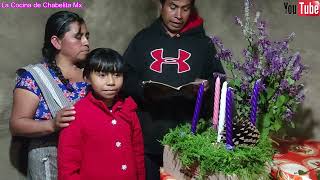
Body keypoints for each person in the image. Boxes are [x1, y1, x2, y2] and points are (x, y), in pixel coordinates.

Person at [123, 0, 225, 179]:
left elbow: (219, 79)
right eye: (173, 7)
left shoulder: (203, 44)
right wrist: (143, 90)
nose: (179, 15)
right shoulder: (143, 39)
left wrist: (207, 85)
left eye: (185, 9)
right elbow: (125, 77)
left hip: (188, 140)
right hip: (149, 137)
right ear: (161, 5)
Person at [10, 11, 90, 179]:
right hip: (49, 163)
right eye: (78, 36)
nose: (86, 42)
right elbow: (17, 125)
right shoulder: (35, 77)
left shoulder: (93, 76)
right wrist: (52, 125)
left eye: (87, 36)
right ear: (56, 42)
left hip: (87, 162)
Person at [58, 48, 145, 180]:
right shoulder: (76, 115)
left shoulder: (128, 108)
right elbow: (67, 168)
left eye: (117, 75)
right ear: (87, 78)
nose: (111, 82)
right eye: (102, 75)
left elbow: (138, 154)